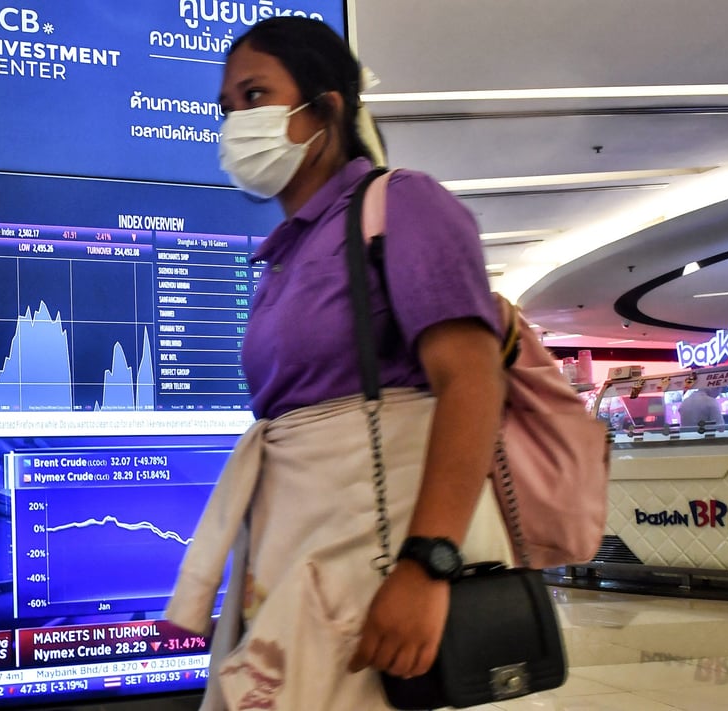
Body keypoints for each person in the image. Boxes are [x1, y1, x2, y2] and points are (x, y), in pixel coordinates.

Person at [166, 16, 511, 710]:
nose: (236, 123)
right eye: (227, 109)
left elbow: (471, 380)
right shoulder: (290, 253)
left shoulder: (401, 203)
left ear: (326, 107)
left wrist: (428, 565)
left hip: (380, 555)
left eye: (255, 96)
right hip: (303, 556)